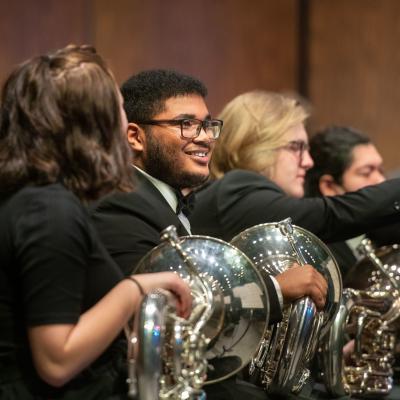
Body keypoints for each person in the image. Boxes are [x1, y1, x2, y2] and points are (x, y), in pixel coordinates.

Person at [91, 70, 328, 400]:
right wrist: (275, 288)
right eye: (186, 124)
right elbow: (169, 314)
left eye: (207, 125)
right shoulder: (121, 204)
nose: (204, 137)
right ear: (135, 136)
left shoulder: (176, 201)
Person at [0, 45, 191, 399]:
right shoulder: (48, 211)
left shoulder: (35, 199)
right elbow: (57, 361)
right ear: (93, 125)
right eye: (119, 108)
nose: (126, 124)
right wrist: (135, 289)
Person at [189, 90, 400, 246]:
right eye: (296, 147)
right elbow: (331, 217)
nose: (308, 161)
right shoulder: (236, 190)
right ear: (257, 146)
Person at [305, 125, 391, 277]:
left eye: (380, 170)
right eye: (366, 172)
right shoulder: (317, 256)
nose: (381, 180)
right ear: (329, 186)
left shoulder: (386, 230)